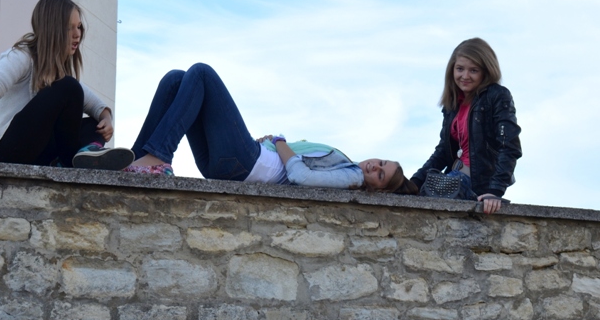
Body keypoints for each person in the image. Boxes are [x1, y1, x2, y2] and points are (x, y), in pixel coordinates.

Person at [124, 63, 416, 193]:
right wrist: (271, 143)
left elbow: (301, 176)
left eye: (380, 175)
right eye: (381, 162)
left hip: (247, 164)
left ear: (378, 190)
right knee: (176, 79)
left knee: (201, 73)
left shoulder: (352, 177)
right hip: (240, 161)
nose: (374, 167)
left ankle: (158, 159)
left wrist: (278, 142)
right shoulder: (347, 164)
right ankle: (135, 160)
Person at [0, 0, 133, 170]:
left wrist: (106, 119)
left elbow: (97, 106)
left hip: (34, 151)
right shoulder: (22, 56)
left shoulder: (58, 73)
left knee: (94, 124)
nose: (77, 35)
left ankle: (84, 153)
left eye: (79, 27)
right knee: (70, 87)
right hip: (3, 149)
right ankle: (70, 160)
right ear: (53, 29)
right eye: (70, 28)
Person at [411, 38, 522, 214]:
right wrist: (415, 181)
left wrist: (495, 191)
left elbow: (509, 146)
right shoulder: (453, 104)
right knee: (407, 194)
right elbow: (443, 151)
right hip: (455, 177)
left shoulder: (497, 96)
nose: (465, 76)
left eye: (474, 70)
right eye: (460, 69)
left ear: (486, 71)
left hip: (478, 183)